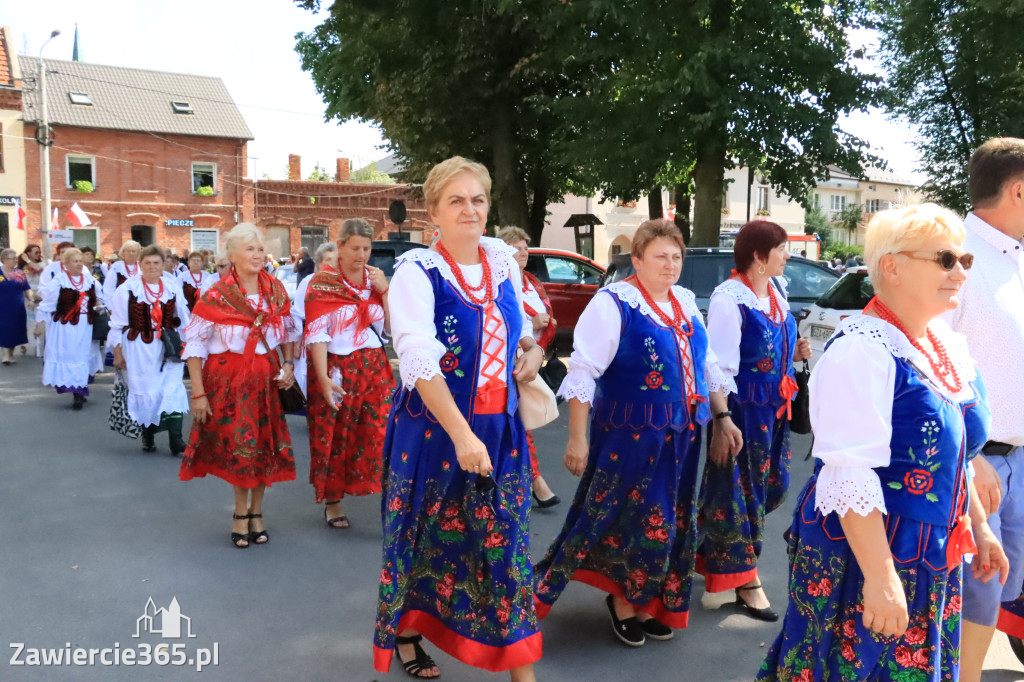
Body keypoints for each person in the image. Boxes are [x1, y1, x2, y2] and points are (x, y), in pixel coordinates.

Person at [757, 204, 1008, 681]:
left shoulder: (943, 344)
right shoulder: (863, 350)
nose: (960, 272)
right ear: (891, 267)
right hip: (870, 552)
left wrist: (980, 526)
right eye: (945, 259)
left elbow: (956, 457)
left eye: (965, 261)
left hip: (929, 549)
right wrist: (881, 577)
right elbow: (849, 474)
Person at [373, 157, 543, 681]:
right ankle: (407, 633)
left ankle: (521, 671)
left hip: (501, 430)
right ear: (434, 213)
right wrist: (463, 435)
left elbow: (524, 332)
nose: (469, 210)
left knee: (506, 550)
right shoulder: (416, 273)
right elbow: (418, 360)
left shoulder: (503, 263)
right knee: (423, 542)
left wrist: (532, 353)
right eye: (456, 200)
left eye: (478, 200)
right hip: (436, 433)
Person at [534, 219, 736, 647]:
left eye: (676, 256)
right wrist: (577, 438)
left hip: (682, 437)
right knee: (628, 518)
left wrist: (723, 416)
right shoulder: (615, 302)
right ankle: (622, 602)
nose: (670, 265)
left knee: (669, 521)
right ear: (638, 259)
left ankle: (648, 601)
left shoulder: (683, 301)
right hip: (629, 435)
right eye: (660, 256)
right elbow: (584, 371)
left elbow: (708, 365)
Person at [696, 220, 812, 621]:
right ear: (759, 257)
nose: (787, 255)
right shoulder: (730, 298)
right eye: (781, 248)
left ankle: (705, 551)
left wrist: (791, 353)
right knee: (744, 495)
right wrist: (723, 419)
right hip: (744, 412)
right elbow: (718, 365)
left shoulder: (775, 291)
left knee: (767, 488)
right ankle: (746, 581)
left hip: (775, 410)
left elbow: (763, 348)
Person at [944, 138, 1024, 682]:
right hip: (981, 462)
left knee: (1006, 589)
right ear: (1019, 190)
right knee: (975, 592)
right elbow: (928, 366)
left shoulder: (1016, 257)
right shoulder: (954, 256)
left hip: (1019, 456)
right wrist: (967, 456)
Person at [179, 223, 299, 549]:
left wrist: (288, 365)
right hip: (228, 383)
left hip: (267, 381)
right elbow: (195, 347)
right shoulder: (216, 295)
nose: (257, 255)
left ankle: (258, 512)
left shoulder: (276, 290)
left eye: (260, 249)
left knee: (264, 447)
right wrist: (198, 393)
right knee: (240, 448)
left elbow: (288, 334)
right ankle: (240, 512)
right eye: (250, 249)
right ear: (231, 255)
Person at [304, 218, 394, 529]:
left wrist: (385, 293)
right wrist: (322, 378)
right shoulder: (322, 284)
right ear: (340, 246)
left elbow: (394, 329)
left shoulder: (376, 281)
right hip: (337, 368)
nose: (362, 255)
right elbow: (316, 335)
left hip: (374, 369)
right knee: (336, 437)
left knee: (381, 435)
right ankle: (333, 501)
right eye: (355, 248)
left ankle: (390, 500)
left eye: (367, 248)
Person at [496, 226, 560, 508]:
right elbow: (514, 319)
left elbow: (546, 316)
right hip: (506, 361)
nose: (522, 252)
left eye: (524, 247)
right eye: (515, 247)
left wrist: (539, 341)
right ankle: (535, 482)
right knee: (515, 425)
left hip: (531, 360)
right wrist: (531, 326)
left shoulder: (532, 281)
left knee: (515, 425)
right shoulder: (502, 279)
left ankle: (521, 483)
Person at [108, 245, 191, 454]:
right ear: (140, 265)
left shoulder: (172, 287)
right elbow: (117, 324)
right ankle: (148, 435)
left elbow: (184, 319)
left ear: (164, 265)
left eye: (156, 263)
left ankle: (176, 440)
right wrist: (117, 353)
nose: (152, 267)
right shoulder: (128, 289)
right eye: (147, 263)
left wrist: (189, 345)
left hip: (168, 347)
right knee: (147, 393)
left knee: (172, 389)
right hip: (138, 348)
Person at [34, 247, 103, 409]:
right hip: (66, 327)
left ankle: (80, 388)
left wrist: (99, 305)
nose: (79, 264)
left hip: (85, 325)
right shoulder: (59, 280)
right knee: (71, 356)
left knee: (82, 356)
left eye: (80, 261)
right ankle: (77, 392)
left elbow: (99, 297)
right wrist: (39, 324)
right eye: (75, 261)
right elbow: (48, 304)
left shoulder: (89, 280)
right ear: (66, 264)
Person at [291, 242, 339, 399]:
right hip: (313, 345)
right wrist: (297, 341)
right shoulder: (309, 282)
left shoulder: (346, 283)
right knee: (316, 393)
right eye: (328, 260)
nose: (333, 265)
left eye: (336, 260)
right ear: (319, 263)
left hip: (339, 347)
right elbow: (297, 314)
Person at [0, 248, 37, 365]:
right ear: (4, 260)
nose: (15, 261)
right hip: (2, 306)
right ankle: (5, 354)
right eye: (12, 258)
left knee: (16, 329)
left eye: (16, 258)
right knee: (5, 328)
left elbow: (27, 288)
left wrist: (31, 299)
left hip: (18, 306)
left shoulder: (20, 273)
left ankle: (10, 353)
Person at [19, 244, 45, 356]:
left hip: (40, 295)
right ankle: (25, 342)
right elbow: (23, 280)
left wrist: (27, 260)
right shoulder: (23, 267)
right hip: (27, 295)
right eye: (36, 252)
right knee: (28, 320)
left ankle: (37, 345)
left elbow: (38, 268)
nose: (38, 254)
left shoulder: (43, 264)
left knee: (38, 320)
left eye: (39, 252)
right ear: (28, 253)